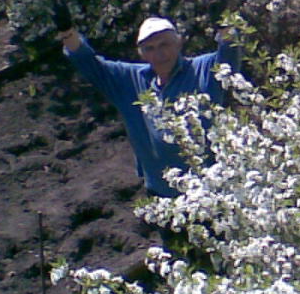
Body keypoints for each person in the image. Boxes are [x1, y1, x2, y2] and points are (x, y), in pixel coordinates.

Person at [57, 15, 239, 198]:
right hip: (160, 195)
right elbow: (90, 64)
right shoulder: (132, 81)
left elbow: (228, 57)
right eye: (150, 48)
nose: (159, 54)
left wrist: (226, 24)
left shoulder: (203, 70)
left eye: (164, 44)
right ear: (142, 53)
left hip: (210, 195)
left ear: (179, 43)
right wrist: (68, 33)